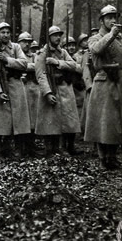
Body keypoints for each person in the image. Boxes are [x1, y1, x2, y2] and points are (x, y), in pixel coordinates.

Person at [83, 5, 122, 170]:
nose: (113, 20)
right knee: (103, 123)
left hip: (121, 83)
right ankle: (102, 159)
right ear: (101, 20)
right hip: (103, 83)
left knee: (117, 123)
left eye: (115, 17)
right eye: (109, 17)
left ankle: (112, 158)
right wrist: (111, 35)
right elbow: (96, 50)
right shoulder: (95, 38)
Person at [0, 22, 32, 158]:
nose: (5, 35)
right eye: (2, 32)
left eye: (7, 32)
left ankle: (15, 148)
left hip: (15, 84)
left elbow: (24, 64)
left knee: (18, 119)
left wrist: (7, 60)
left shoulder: (16, 47)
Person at [34, 26, 82, 156]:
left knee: (69, 119)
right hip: (51, 88)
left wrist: (57, 62)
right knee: (50, 120)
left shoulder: (63, 52)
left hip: (65, 89)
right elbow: (40, 75)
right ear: (49, 37)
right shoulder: (42, 53)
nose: (58, 37)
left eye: (59, 35)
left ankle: (68, 147)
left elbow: (75, 66)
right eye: (55, 35)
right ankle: (51, 148)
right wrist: (47, 93)